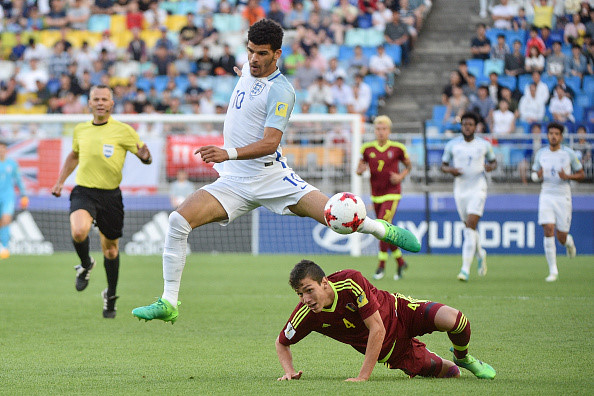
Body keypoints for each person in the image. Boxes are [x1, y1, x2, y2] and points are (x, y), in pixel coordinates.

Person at [132, 19, 420, 324]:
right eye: (250, 51)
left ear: (277, 54)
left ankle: (381, 229)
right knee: (178, 221)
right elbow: (248, 80)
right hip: (233, 181)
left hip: (271, 177)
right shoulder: (247, 69)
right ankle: (169, 301)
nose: (254, 58)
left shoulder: (282, 91)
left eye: (262, 53)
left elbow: (270, 143)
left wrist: (225, 152)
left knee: (336, 217)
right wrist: (243, 76)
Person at [275, 259, 496, 381]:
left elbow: (377, 328)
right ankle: (448, 362)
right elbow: (282, 342)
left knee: (456, 320)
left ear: (323, 282)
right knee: (450, 373)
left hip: (401, 313)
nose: (306, 299)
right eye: (300, 294)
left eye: (308, 290)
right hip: (393, 352)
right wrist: (289, 371)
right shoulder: (307, 313)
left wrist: (363, 377)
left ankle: (463, 357)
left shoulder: (350, 280)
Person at [51, 85, 153, 319]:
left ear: (111, 104)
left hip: (110, 197)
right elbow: (74, 155)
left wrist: (146, 157)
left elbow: (144, 156)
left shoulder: (123, 131)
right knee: (79, 231)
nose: (99, 103)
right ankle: (86, 264)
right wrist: (59, 182)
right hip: (84, 191)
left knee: (111, 251)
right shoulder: (81, 129)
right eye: (95, 99)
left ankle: (111, 295)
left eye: (104, 99)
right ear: (89, 103)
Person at [441, 112, 497, 282]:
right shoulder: (452, 145)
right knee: (468, 228)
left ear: (476, 126)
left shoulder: (484, 145)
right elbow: (443, 165)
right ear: (461, 126)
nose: (467, 127)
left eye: (471, 124)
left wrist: (489, 167)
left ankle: (464, 269)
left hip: (478, 188)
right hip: (460, 190)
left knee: (471, 225)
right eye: (465, 124)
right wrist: (451, 170)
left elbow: (494, 162)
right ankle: (481, 253)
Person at [356, 116, 412, 281]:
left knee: (380, 225)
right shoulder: (366, 148)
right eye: (378, 129)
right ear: (374, 130)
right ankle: (400, 261)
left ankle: (381, 266)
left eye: (384, 129)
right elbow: (359, 169)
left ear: (389, 130)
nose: (380, 132)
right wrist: (360, 170)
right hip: (376, 195)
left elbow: (409, 165)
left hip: (392, 193)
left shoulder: (397, 148)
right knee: (385, 230)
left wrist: (401, 176)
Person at [531, 122, 584, 282]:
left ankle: (568, 242)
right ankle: (553, 270)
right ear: (547, 135)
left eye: (556, 134)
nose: (553, 136)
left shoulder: (568, 154)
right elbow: (534, 175)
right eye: (551, 133)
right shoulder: (541, 154)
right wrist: (537, 175)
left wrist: (568, 177)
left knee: (561, 236)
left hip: (563, 197)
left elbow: (581, 174)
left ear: (561, 136)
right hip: (546, 194)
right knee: (548, 229)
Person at [0, 141, 28, 259]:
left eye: (3, 148)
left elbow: (18, 180)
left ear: (6, 150)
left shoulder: (12, 164)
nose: (1, 151)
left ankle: (4, 246)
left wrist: (24, 195)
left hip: (8, 196)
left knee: (6, 219)